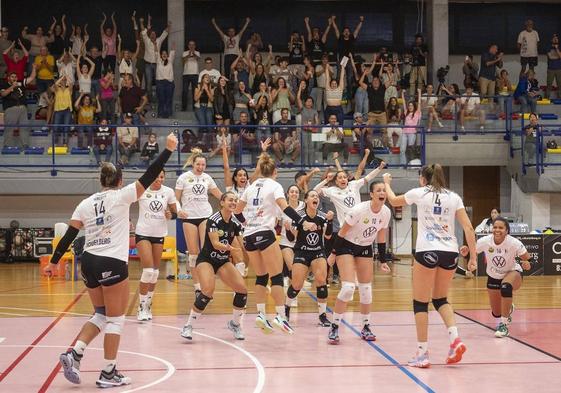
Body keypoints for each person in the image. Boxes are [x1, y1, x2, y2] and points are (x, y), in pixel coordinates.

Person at [44, 132, 177, 388]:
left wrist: (53, 262)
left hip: (89, 262)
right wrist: (169, 149)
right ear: (119, 180)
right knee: (116, 319)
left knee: (101, 314)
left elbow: (69, 236)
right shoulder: (123, 195)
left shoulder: (85, 203)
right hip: (111, 262)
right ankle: (108, 373)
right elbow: (150, 175)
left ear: (101, 181)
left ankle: (75, 353)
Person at [383, 164, 477, 368]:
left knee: (420, 303)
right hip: (450, 252)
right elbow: (468, 228)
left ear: (423, 179)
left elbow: (392, 201)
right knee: (441, 299)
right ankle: (455, 339)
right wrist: (473, 257)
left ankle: (422, 353)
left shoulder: (419, 193)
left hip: (428, 250)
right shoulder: (454, 196)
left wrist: (387, 183)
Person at [234, 148, 317, 335]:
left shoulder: (250, 186)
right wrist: (302, 221)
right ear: (274, 172)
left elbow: (237, 212)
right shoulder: (274, 185)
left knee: (261, 276)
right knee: (277, 275)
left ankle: (262, 314)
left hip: (248, 236)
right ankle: (280, 316)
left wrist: (247, 223)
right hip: (265, 233)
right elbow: (285, 207)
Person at [327, 182, 392, 344]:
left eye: (384, 190)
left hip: (364, 247)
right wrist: (333, 253)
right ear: (371, 194)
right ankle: (334, 326)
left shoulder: (386, 212)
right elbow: (341, 233)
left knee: (366, 289)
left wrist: (383, 260)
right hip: (346, 245)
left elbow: (381, 237)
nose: (382, 192)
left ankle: (366, 326)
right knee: (348, 287)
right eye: (378, 190)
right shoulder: (358, 210)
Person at [181, 191, 249, 341]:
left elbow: (242, 241)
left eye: (235, 200)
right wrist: (230, 249)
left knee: (242, 290)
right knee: (207, 291)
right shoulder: (213, 220)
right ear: (222, 202)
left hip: (223, 261)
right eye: (230, 200)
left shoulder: (236, 223)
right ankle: (188, 326)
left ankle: (235, 324)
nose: (233, 202)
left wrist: (251, 247)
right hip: (207, 260)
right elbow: (215, 243)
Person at [461, 217, 533, 337]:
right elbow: (472, 251)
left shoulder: (514, 243)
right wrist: (466, 251)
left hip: (513, 273)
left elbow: (529, 259)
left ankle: (504, 326)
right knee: (496, 312)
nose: (497, 230)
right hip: (494, 276)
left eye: (501, 227)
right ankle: (508, 308)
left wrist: (528, 265)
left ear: (507, 230)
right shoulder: (485, 241)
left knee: (505, 287)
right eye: (495, 227)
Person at [175, 149, 222, 297]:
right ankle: (197, 288)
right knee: (193, 254)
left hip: (205, 216)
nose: (201, 167)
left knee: (205, 251)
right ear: (193, 164)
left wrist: (233, 201)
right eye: (198, 164)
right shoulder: (183, 178)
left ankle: (205, 284)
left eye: (203, 164)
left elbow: (219, 195)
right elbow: (174, 198)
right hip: (188, 217)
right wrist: (178, 210)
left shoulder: (207, 178)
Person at [285, 190, 334, 327]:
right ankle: (286, 308)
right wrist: (288, 229)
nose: (315, 198)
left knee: (321, 281)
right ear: (306, 200)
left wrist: (330, 221)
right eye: (312, 196)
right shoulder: (299, 216)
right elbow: (291, 238)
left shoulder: (322, 216)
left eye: (317, 196)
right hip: (301, 252)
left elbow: (328, 236)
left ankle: (322, 316)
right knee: (297, 285)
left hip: (318, 252)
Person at [136, 170, 180, 321]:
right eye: (156, 176)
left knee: (154, 273)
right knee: (148, 271)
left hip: (159, 234)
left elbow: (175, 212)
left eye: (161, 177)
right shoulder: (141, 189)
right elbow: (124, 202)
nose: (159, 179)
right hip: (143, 233)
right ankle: (141, 306)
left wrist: (171, 215)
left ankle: (148, 304)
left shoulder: (168, 192)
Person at [0, 65, 37, 149]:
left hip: (22, 108)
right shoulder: (4, 84)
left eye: (15, 77)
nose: (14, 78)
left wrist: (34, 68)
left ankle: (25, 145)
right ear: (8, 78)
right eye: (12, 77)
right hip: (11, 109)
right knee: (9, 128)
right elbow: (3, 94)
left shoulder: (20, 83)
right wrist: (12, 87)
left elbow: (31, 78)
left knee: (24, 128)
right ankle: (7, 146)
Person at [278, 185, 305, 302]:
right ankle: (292, 299)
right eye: (292, 192)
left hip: (300, 243)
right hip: (285, 242)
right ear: (287, 194)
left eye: (296, 192)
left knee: (299, 273)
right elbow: (277, 223)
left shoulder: (304, 206)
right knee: (293, 269)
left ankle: (291, 296)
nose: (294, 194)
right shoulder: (281, 208)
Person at [141, 16, 170, 102]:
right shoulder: (147, 40)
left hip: (157, 64)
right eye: (151, 34)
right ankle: (149, 100)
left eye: (154, 34)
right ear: (150, 36)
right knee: (149, 83)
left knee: (158, 81)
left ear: (156, 35)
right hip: (148, 65)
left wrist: (169, 25)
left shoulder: (159, 40)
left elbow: (165, 33)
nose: (153, 35)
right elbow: (143, 31)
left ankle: (158, 99)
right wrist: (141, 22)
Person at [400, 89, 422, 166]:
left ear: (414, 106)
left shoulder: (417, 113)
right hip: (404, 133)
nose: (410, 107)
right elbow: (403, 102)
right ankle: (403, 165)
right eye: (409, 105)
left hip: (412, 133)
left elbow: (419, 103)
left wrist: (419, 93)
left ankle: (410, 164)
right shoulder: (406, 112)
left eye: (411, 105)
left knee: (410, 149)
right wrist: (402, 93)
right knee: (402, 150)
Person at [156, 48, 176, 118]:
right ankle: (160, 114)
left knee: (168, 100)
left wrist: (173, 47)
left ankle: (169, 114)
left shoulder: (170, 61)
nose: (164, 55)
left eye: (165, 54)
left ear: (167, 55)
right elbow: (156, 52)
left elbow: (172, 53)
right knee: (161, 99)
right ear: (161, 55)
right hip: (160, 83)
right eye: (163, 54)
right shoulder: (158, 61)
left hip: (169, 83)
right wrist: (155, 45)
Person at [182, 40, 200, 110]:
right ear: (188, 46)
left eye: (193, 45)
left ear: (195, 46)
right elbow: (183, 60)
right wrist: (189, 54)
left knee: (195, 92)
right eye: (190, 45)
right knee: (184, 91)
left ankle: (194, 107)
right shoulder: (184, 53)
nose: (191, 46)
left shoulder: (197, 53)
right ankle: (184, 108)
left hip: (195, 74)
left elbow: (198, 58)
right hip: (186, 74)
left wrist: (193, 53)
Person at [546, 34, 561, 99]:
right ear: (551, 40)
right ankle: (547, 97)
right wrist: (557, 57)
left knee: (560, 84)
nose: (555, 39)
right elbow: (550, 57)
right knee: (549, 84)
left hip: (559, 69)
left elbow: (560, 56)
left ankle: (560, 97)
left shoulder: (559, 47)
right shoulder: (548, 47)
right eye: (554, 38)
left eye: (556, 38)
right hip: (550, 69)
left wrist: (556, 48)